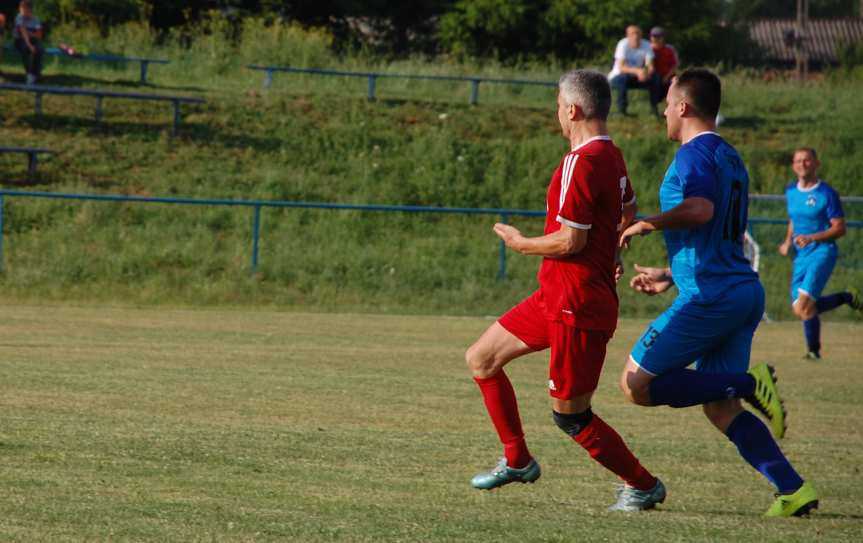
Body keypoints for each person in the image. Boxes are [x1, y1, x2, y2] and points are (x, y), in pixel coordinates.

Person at [618, 68, 818, 517]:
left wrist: (649, 221)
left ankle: (751, 383)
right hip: (738, 288)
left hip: (711, 296)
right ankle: (793, 490)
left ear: (684, 107)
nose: (665, 112)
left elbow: (701, 210)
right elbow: (718, 233)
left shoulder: (693, 155)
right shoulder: (730, 156)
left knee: (635, 384)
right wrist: (673, 272)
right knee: (719, 406)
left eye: (668, 104)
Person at [465, 69, 666, 512]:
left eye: (558, 105)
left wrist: (521, 244)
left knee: (571, 416)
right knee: (481, 359)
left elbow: (570, 241)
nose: (557, 113)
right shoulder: (613, 156)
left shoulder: (581, 161)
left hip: (577, 303)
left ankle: (644, 484)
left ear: (572, 109)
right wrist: (613, 247)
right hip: (554, 295)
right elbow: (627, 208)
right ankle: (517, 459)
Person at [778, 147, 862, 359]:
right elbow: (793, 220)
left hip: (822, 252)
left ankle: (813, 352)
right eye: (798, 161)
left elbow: (840, 228)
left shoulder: (826, 193)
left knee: (806, 305)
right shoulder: (790, 191)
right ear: (793, 166)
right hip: (801, 255)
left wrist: (812, 238)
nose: (802, 164)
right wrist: (788, 241)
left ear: (816, 163)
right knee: (800, 309)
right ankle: (847, 297)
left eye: (807, 160)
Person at [608, 25, 663, 117]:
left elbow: (650, 66)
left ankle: (654, 110)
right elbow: (622, 67)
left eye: (637, 33)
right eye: (632, 33)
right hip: (619, 76)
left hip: (638, 77)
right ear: (627, 35)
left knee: (655, 78)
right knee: (623, 79)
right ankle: (622, 111)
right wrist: (638, 71)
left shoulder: (646, 45)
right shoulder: (622, 44)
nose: (635, 36)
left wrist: (645, 73)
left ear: (641, 35)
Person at [13, 0, 44, 85]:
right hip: (20, 40)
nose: (21, 11)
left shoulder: (35, 19)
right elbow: (23, 33)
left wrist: (30, 33)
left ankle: (35, 74)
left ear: (29, 9)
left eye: (24, 9)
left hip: (33, 40)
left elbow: (39, 35)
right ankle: (29, 73)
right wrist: (30, 45)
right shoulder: (19, 17)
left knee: (39, 49)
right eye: (21, 9)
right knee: (25, 49)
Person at [648, 27, 678, 99]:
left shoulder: (669, 49)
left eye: (659, 36)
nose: (657, 38)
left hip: (668, 75)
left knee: (676, 81)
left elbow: (674, 65)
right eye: (654, 36)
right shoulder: (647, 48)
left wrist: (667, 77)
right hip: (653, 75)